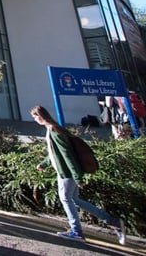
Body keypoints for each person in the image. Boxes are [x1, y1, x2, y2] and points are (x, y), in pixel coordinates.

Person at [30, 105, 126, 245]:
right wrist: (43, 164)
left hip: (67, 173)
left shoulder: (54, 131)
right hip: (65, 172)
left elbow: (67, 155)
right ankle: (113, 221)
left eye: (35, 117)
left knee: (65, 199)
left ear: (40, 116)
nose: (35, 120)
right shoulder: (54, 130)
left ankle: (76, 231)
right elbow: (55, 154)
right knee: (74, 199)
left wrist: (77, 177)